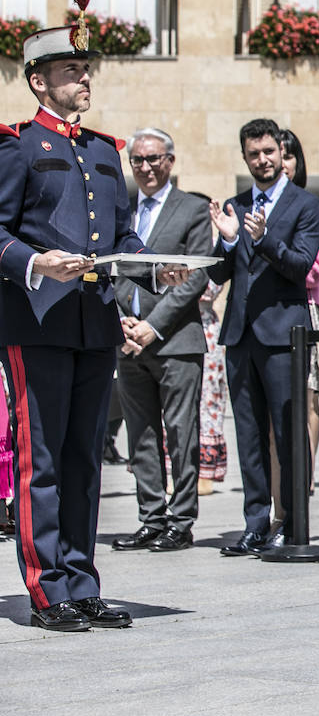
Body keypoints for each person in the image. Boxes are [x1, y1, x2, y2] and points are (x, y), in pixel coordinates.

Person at [0, 0, 190, 631]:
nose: (84, 79)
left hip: (94, 322)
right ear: (39, 81)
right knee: (42, 459)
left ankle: (81, 582)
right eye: (71, 71)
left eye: (86, 70)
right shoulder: (17, 146)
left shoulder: (107, 151)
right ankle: (47, 589)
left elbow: (121, 237)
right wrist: (34, 262)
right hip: (38, 321)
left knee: (83, 459)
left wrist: (152, 264)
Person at [208, 117, 319, 557]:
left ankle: (292, 520)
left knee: (288, 432)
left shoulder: (304, 204)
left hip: (282, 334)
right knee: (249, 434)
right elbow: (221, 274)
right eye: (254, 154)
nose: (262, 160)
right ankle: (255, 522)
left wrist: (262, 238)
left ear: (281, 152)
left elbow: (300, 266)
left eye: (269, 152)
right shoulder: (236, 205)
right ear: (245, 157)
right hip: (240, 334)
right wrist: (225, 242)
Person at [110, 129, 212, 553]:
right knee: (141, 435)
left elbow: (197, 275)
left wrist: (153, 326)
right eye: (137, 160)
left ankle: (181, 519)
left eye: (153, 159)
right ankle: (151, 518)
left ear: (170, 160)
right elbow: (112, 269)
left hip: (175, 341)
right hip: (128, 341)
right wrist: (122, 323)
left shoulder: (192, 208)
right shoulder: (122, 211)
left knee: (180, 431)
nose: (145, 167)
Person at [266, 129, 319, 518]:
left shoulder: (313, 208)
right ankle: (278, 497)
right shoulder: (261, 205)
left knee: (305, 400)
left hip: (300, 313)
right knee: (272, 419)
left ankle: (302, 480)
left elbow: (315, 269)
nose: (283, 163)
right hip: (265, 315)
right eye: (279, 154)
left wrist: (272, 251)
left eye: (289, 156)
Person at [198, 279, 229, 493]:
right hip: (166, 324)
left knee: (208, 400)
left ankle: (204, 472)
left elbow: (212, 286)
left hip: (205, 327)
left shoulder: (213, 244)